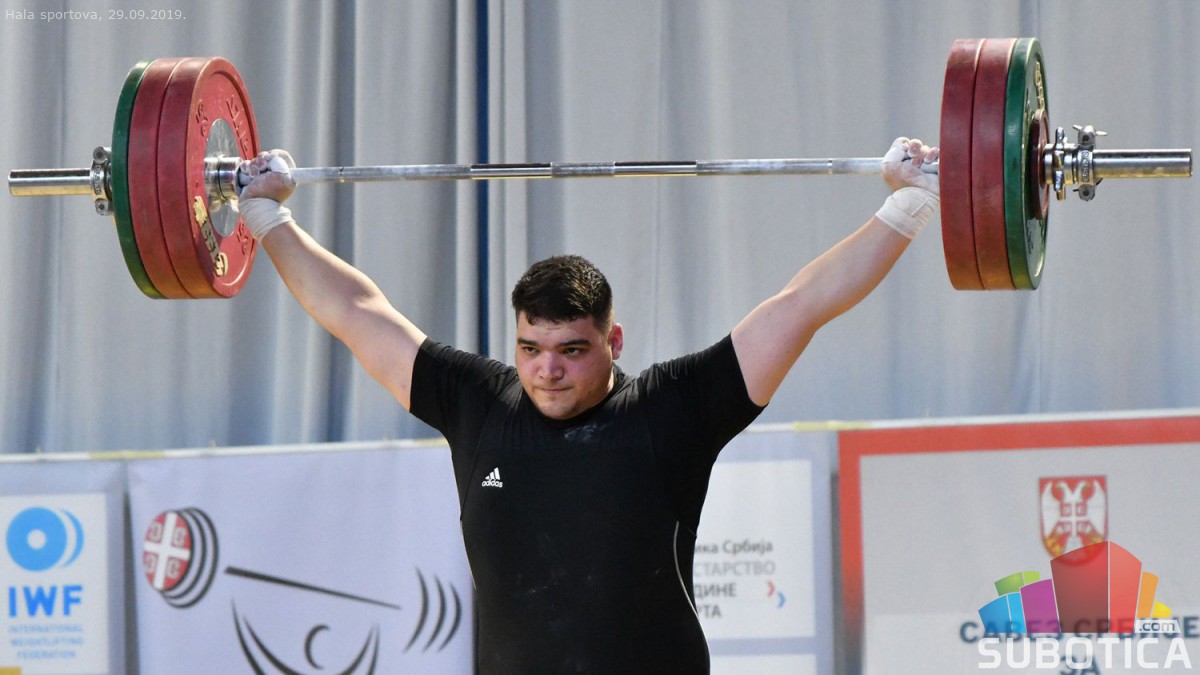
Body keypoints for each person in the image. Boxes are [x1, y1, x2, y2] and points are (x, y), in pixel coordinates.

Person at [237, 137, 939, 673]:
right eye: (530, 347)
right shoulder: (477, 404)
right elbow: (356, 311)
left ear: (613, 339)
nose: (547, 370)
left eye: (571, 349)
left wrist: (907, 204)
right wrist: (265, 214)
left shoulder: (673, 409)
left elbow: (802, 305)